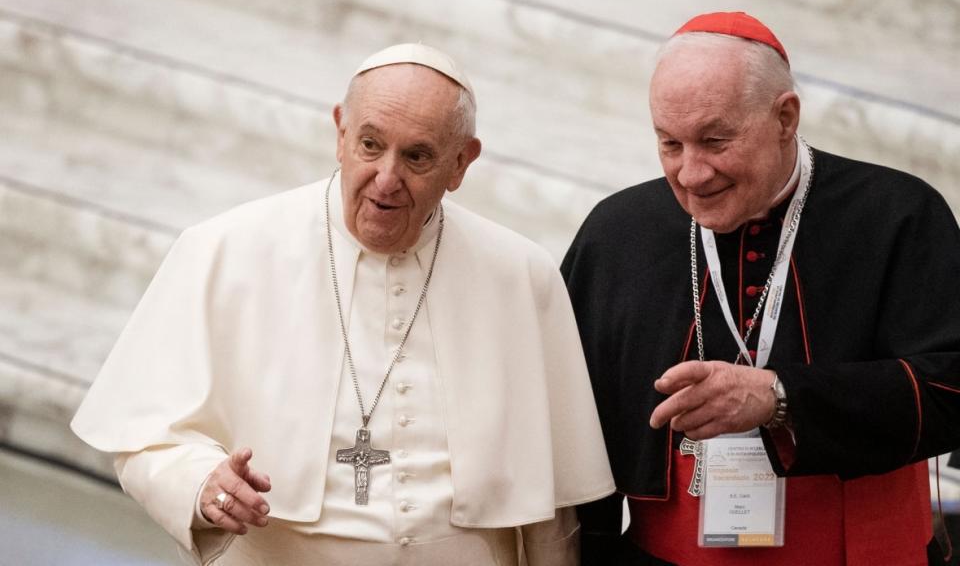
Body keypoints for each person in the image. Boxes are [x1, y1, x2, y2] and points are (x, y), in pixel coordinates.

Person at [72, 43, 615, 565]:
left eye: (418, 156)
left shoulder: (520, 274)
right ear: (340, 132)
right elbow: (143, 441)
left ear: (461, 164)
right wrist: (201, 485)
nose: (386, 179)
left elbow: (554, 505)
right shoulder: (225, 249)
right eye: (371, 145)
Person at [561, 12, 960, 566]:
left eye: (715, 140)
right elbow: (570, 419)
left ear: (785, 117)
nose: (693, 174)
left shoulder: (898, 216)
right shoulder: (617, 232)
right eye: (670, 144)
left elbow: (952, 388)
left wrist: (780, 397)